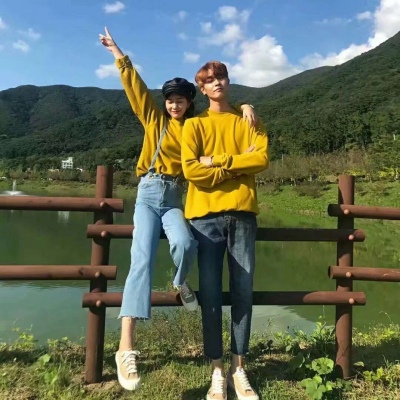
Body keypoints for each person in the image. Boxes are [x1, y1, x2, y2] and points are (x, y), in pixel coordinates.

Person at [99, 28, 258, 392]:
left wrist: (246, 106)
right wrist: (117, 52)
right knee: (141, 260)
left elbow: (221, 123)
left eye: (180, 101)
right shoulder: (154, 120)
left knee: (187, 244)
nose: (174, 105)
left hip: (175, 197)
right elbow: (135, 88)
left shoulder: (194, 128)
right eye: (170, 100)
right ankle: (125, 347)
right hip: (148, 192)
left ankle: (179, 283)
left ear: (189, 103)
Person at [181, 61, 269, 400]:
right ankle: (217, 370)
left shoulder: (250, 120)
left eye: (221, 77)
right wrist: (236, 164)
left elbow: (260, 160)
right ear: (202, 89)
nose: (216, 82)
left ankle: (238, 368)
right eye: (209, 80)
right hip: (204, 218)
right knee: (211, 295)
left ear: (228, 82)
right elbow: (191, 171)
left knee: (243, 291)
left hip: (242, 215)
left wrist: (217, 161)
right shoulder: (194, 125)